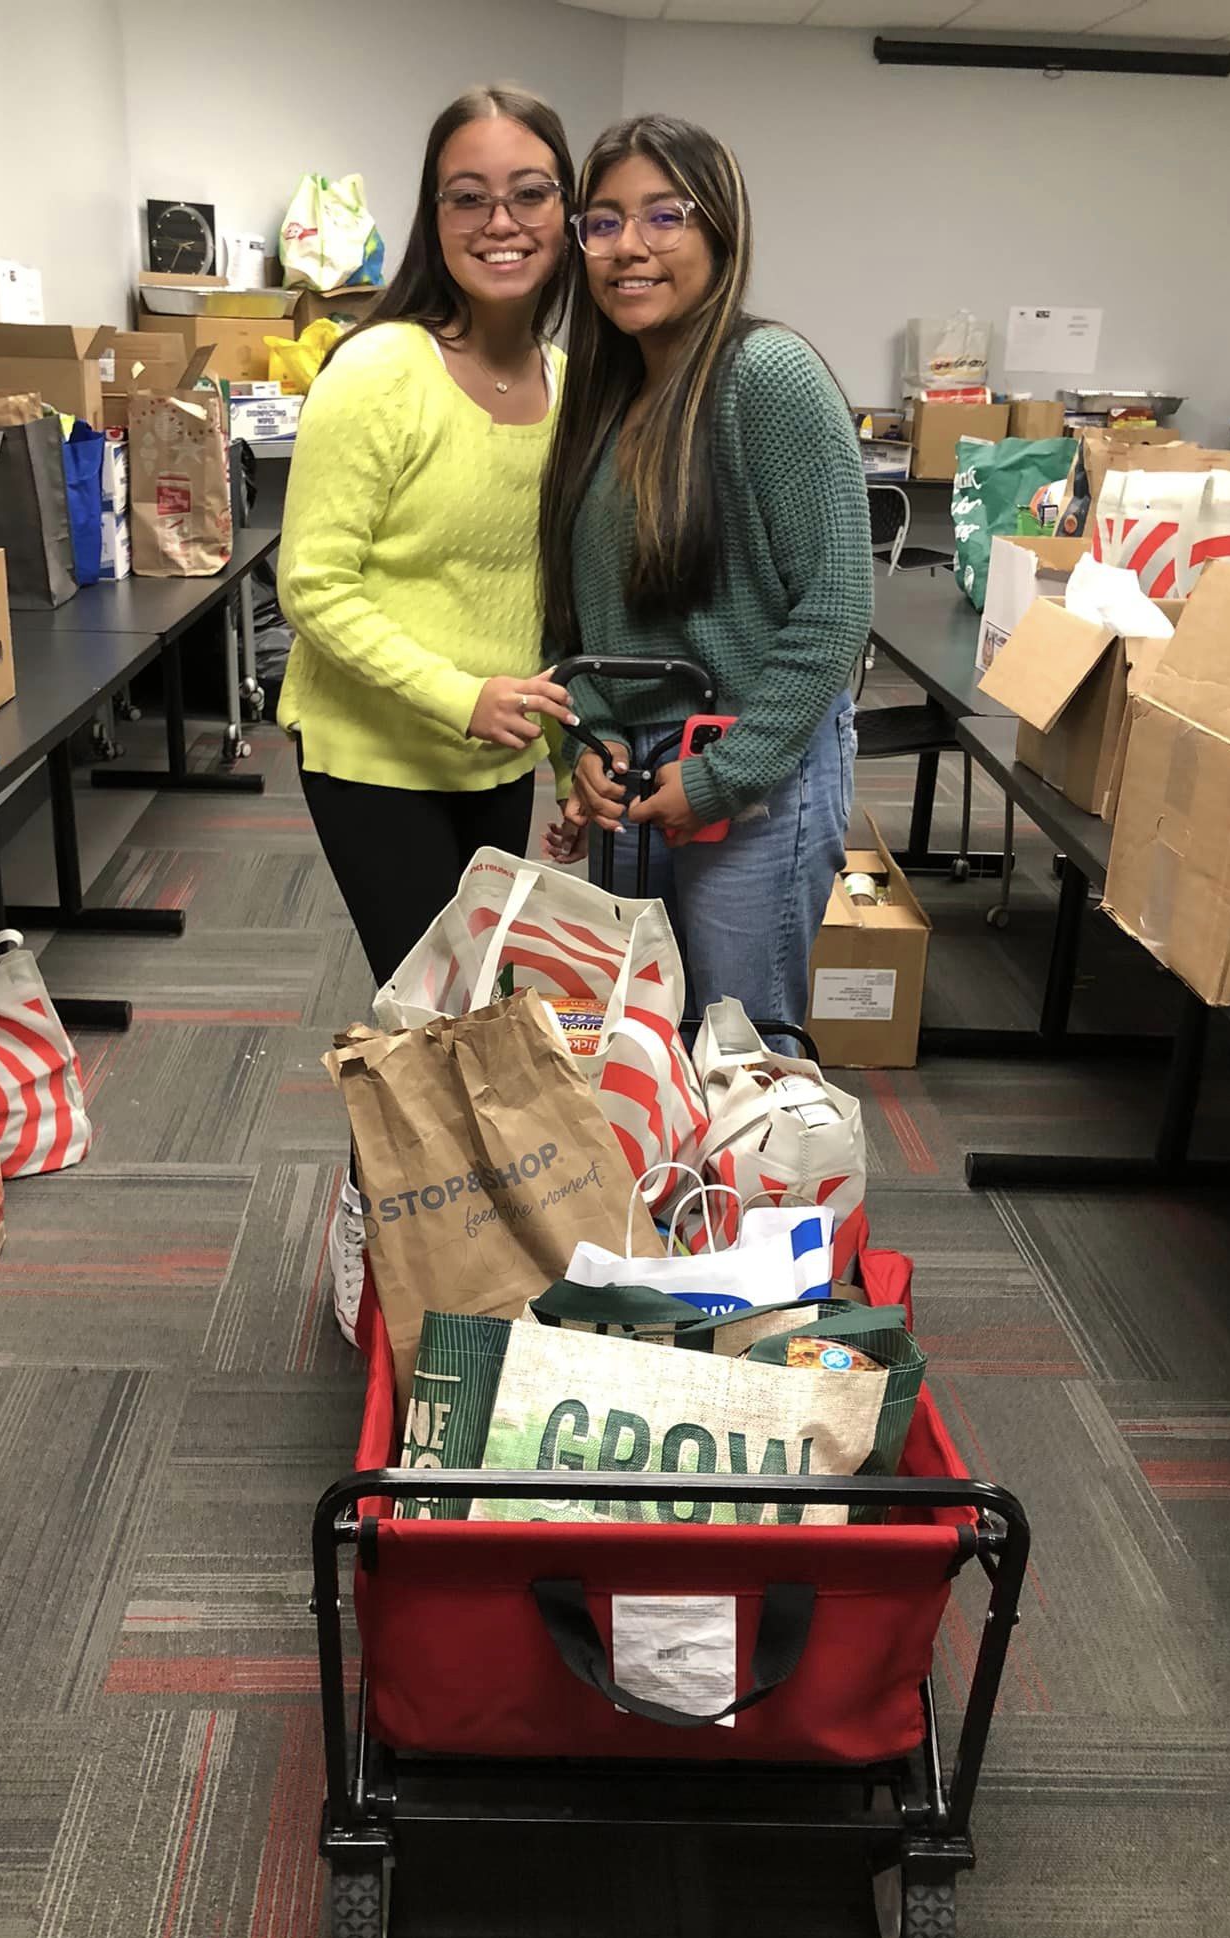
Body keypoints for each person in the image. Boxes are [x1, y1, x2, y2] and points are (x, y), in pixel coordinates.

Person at [278, 83, 581, 1341]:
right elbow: (312, 583)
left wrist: (558, 760)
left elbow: (537, 596)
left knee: (490, 1018)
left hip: (496, 759)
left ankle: (462, 1248)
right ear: (431, 213)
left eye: (528, 193)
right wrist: (461, 696)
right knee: (427, 1029)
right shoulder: (382, 368)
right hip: (376, 758)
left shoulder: (568, 379)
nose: (499, 220)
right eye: (468, 196)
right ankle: (370, 1237)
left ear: (564, 214)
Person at [540, 114, 871, 1048]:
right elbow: (575, 616)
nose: (628, 248)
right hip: (637, 774)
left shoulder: (767, 375)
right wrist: (586, 749)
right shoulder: (604, 399)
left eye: (662, 217)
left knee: (740, 1047)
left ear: (719, 229)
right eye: (601, 223)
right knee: (639, 1040)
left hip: (749, 766)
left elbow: (836, 610)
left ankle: (751, 1203)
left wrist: (725, 775)